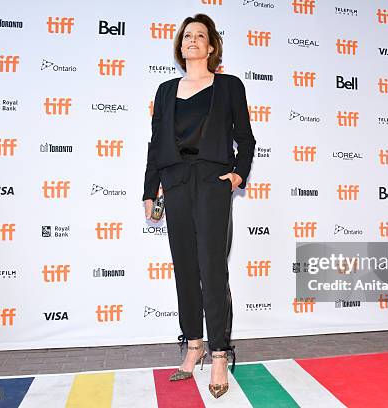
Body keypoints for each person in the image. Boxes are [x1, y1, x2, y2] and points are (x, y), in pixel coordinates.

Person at [141, 14, 256, 399]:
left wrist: (237, 175)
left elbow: (246, 138)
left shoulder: (228, 87)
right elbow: (155, 146)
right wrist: (149, 190)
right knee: (186, 270)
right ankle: (193, 346)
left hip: (211, 184)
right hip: (174, 185)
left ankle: (220, 353)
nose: (192, 41)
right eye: (187, 36)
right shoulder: (165, 89)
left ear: (211, 47)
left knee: (212, 267)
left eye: (200, 36)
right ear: (181, 45)